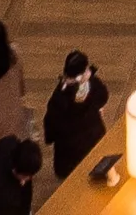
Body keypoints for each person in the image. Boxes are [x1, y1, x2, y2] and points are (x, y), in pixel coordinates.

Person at [39, 53, 112, 182]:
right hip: (92, 137)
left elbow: (51, 123)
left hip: (69, 150)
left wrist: (50, 137)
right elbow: (103, 95)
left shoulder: (60, 97)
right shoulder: (92, 83)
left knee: (73, 180)